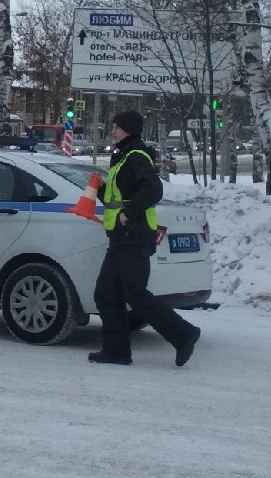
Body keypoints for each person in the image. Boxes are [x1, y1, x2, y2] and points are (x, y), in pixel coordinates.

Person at [89, 109, 201, 367]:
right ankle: (116, 351)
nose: (112, 131)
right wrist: (100, 189)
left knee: (135, 294)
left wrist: (129, 213)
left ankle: (184, 334)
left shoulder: (137, 155)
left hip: (134, 235)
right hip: (120, 237)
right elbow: (117, 198)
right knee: (106, 294)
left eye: (116, 127)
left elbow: (153, 190)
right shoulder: (124, 156)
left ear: (127, 129)